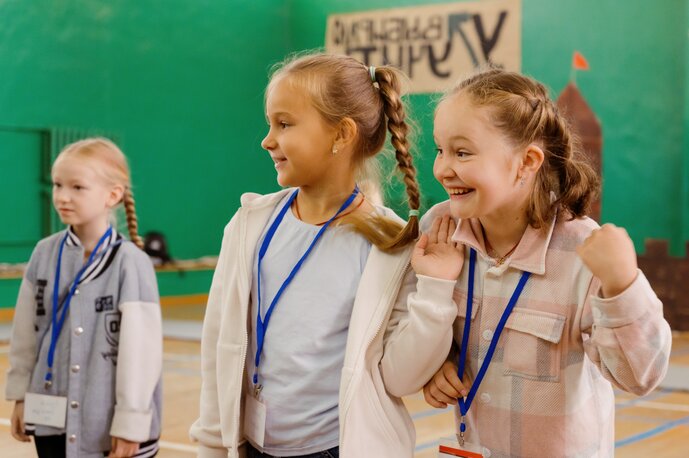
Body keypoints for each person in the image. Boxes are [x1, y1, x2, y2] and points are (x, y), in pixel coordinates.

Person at [401, 69, 672, 457]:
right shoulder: (440, 230)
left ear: (527, 161)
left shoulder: (583, 252)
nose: (442, 168)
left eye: (462, 152)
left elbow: (639, 377)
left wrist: (622, 284)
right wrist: (438, 362)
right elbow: (421, 324)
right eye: (440, 149)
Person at [189, 52, 436, 458]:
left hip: (334, 448)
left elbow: (400, 374)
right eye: (270, 123)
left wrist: (437, 296)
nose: (267, 140)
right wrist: (214, 443)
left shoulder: (390, 244)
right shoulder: (250, 224)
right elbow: (219, 341)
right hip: (251, 445)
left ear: (341, 134)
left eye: (284, 124)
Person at [6, 138, 163, 458]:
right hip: (50, 421)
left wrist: (130, 423)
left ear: (113, 195)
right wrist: (22, 396)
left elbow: (141, 356)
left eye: (77, 187)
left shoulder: (131, 262)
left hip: (106, 427)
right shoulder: (43, 253)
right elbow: (25, 336)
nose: (62, 196)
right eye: (57, 184)